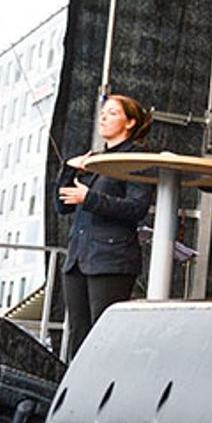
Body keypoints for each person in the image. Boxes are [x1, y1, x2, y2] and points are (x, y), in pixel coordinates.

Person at [55, 94, 154, 359]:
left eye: (112, 113)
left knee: (104, 335)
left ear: (130, 122)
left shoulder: (136, 158)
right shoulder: (95, 160)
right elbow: (62, 206)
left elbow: (136, 208)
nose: (103, 117)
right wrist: (68, 169)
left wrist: (89, 198)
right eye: (103, 113)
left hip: (111, 258)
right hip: (78, 258)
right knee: (78, 335)